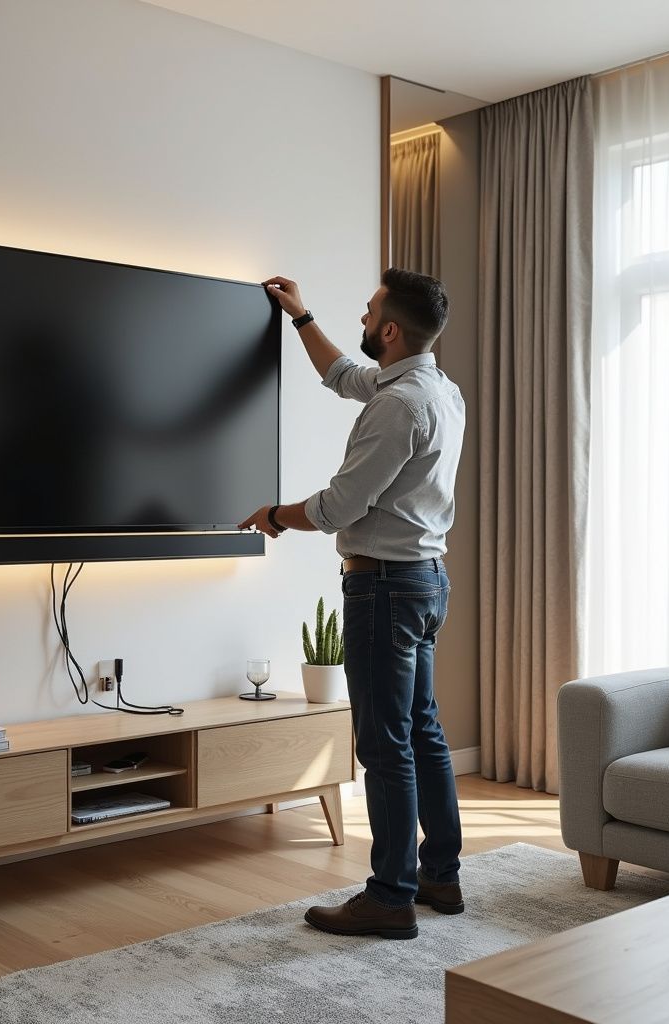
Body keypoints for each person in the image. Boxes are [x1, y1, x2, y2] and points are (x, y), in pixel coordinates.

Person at [238, 270, 465, 940]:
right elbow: (342, 374)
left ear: (390, 330)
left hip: (386, 589)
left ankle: (390, 897)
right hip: (423, 581)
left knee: (385, 743)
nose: (363, 320)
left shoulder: (399, 406)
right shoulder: (434, 388)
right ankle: (439, 875)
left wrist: (275, 516)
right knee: (422, 732)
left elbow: (341, 505)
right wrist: (299, 316)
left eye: (368, 313)